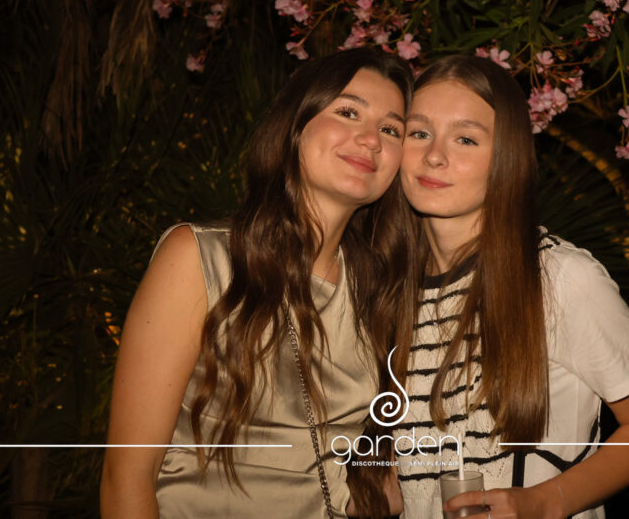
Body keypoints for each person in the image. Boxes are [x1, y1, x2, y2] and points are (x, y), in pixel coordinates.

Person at [101, 48, 412, 518]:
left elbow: (350, 475)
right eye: (348, 112)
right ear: (295, 126)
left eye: (391, 130)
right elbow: (126, 477)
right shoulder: (201, 259)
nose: (370, 140)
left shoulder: (379, 291)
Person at [389, 54, 629, 518]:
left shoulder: (560, 278)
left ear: (506, 158)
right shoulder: (388, 288)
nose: (434, 155)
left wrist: (544, 501)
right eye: (419, 133)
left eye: (465, 139)